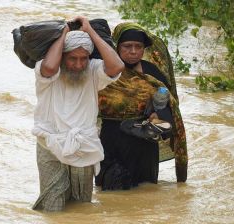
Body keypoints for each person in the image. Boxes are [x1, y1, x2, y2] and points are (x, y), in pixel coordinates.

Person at [31, 16, 124, 212]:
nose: (78, 64)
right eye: (72, 58)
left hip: (84, 145)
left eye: (83, 58)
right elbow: (49, 67)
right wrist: (64, 33)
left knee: (82, 206)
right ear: (62, 56)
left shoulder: (93, 71)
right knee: (52, 206)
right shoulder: (46, 72)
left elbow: (117, 66)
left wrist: (90, 31)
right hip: (50, 144)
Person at [96, 22, 188, 190]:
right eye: (127, 46)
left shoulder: (151, 72)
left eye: (138, 47)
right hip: (111, 141)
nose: (133, 51)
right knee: (110, 196)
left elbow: (168, 105)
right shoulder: (103, 70)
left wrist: (157, 117)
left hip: (143, 144)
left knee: (145, 193)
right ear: (116, 46)